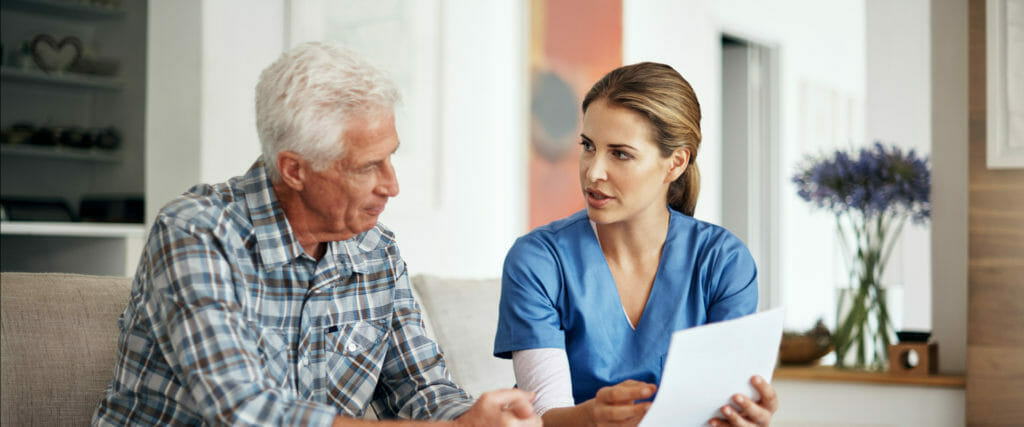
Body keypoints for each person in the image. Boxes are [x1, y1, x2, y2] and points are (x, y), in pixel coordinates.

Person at [93, 42, 540, 427]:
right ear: (295, 170)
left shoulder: (374, 250)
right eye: (368, 166)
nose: (392, 185)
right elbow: (243, 413)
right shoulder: (196, 233)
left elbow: (419, 388)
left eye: (390, 158)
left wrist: (475, 418)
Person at [493, 62, 779, 427]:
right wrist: (594, 418)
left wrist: (742, 416)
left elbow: (717, 408)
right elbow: (542, 417)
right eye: (588, 146)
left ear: (675, 163)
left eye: (620, 153)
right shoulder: (537, 260)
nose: (593, 171)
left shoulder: (723, 262)